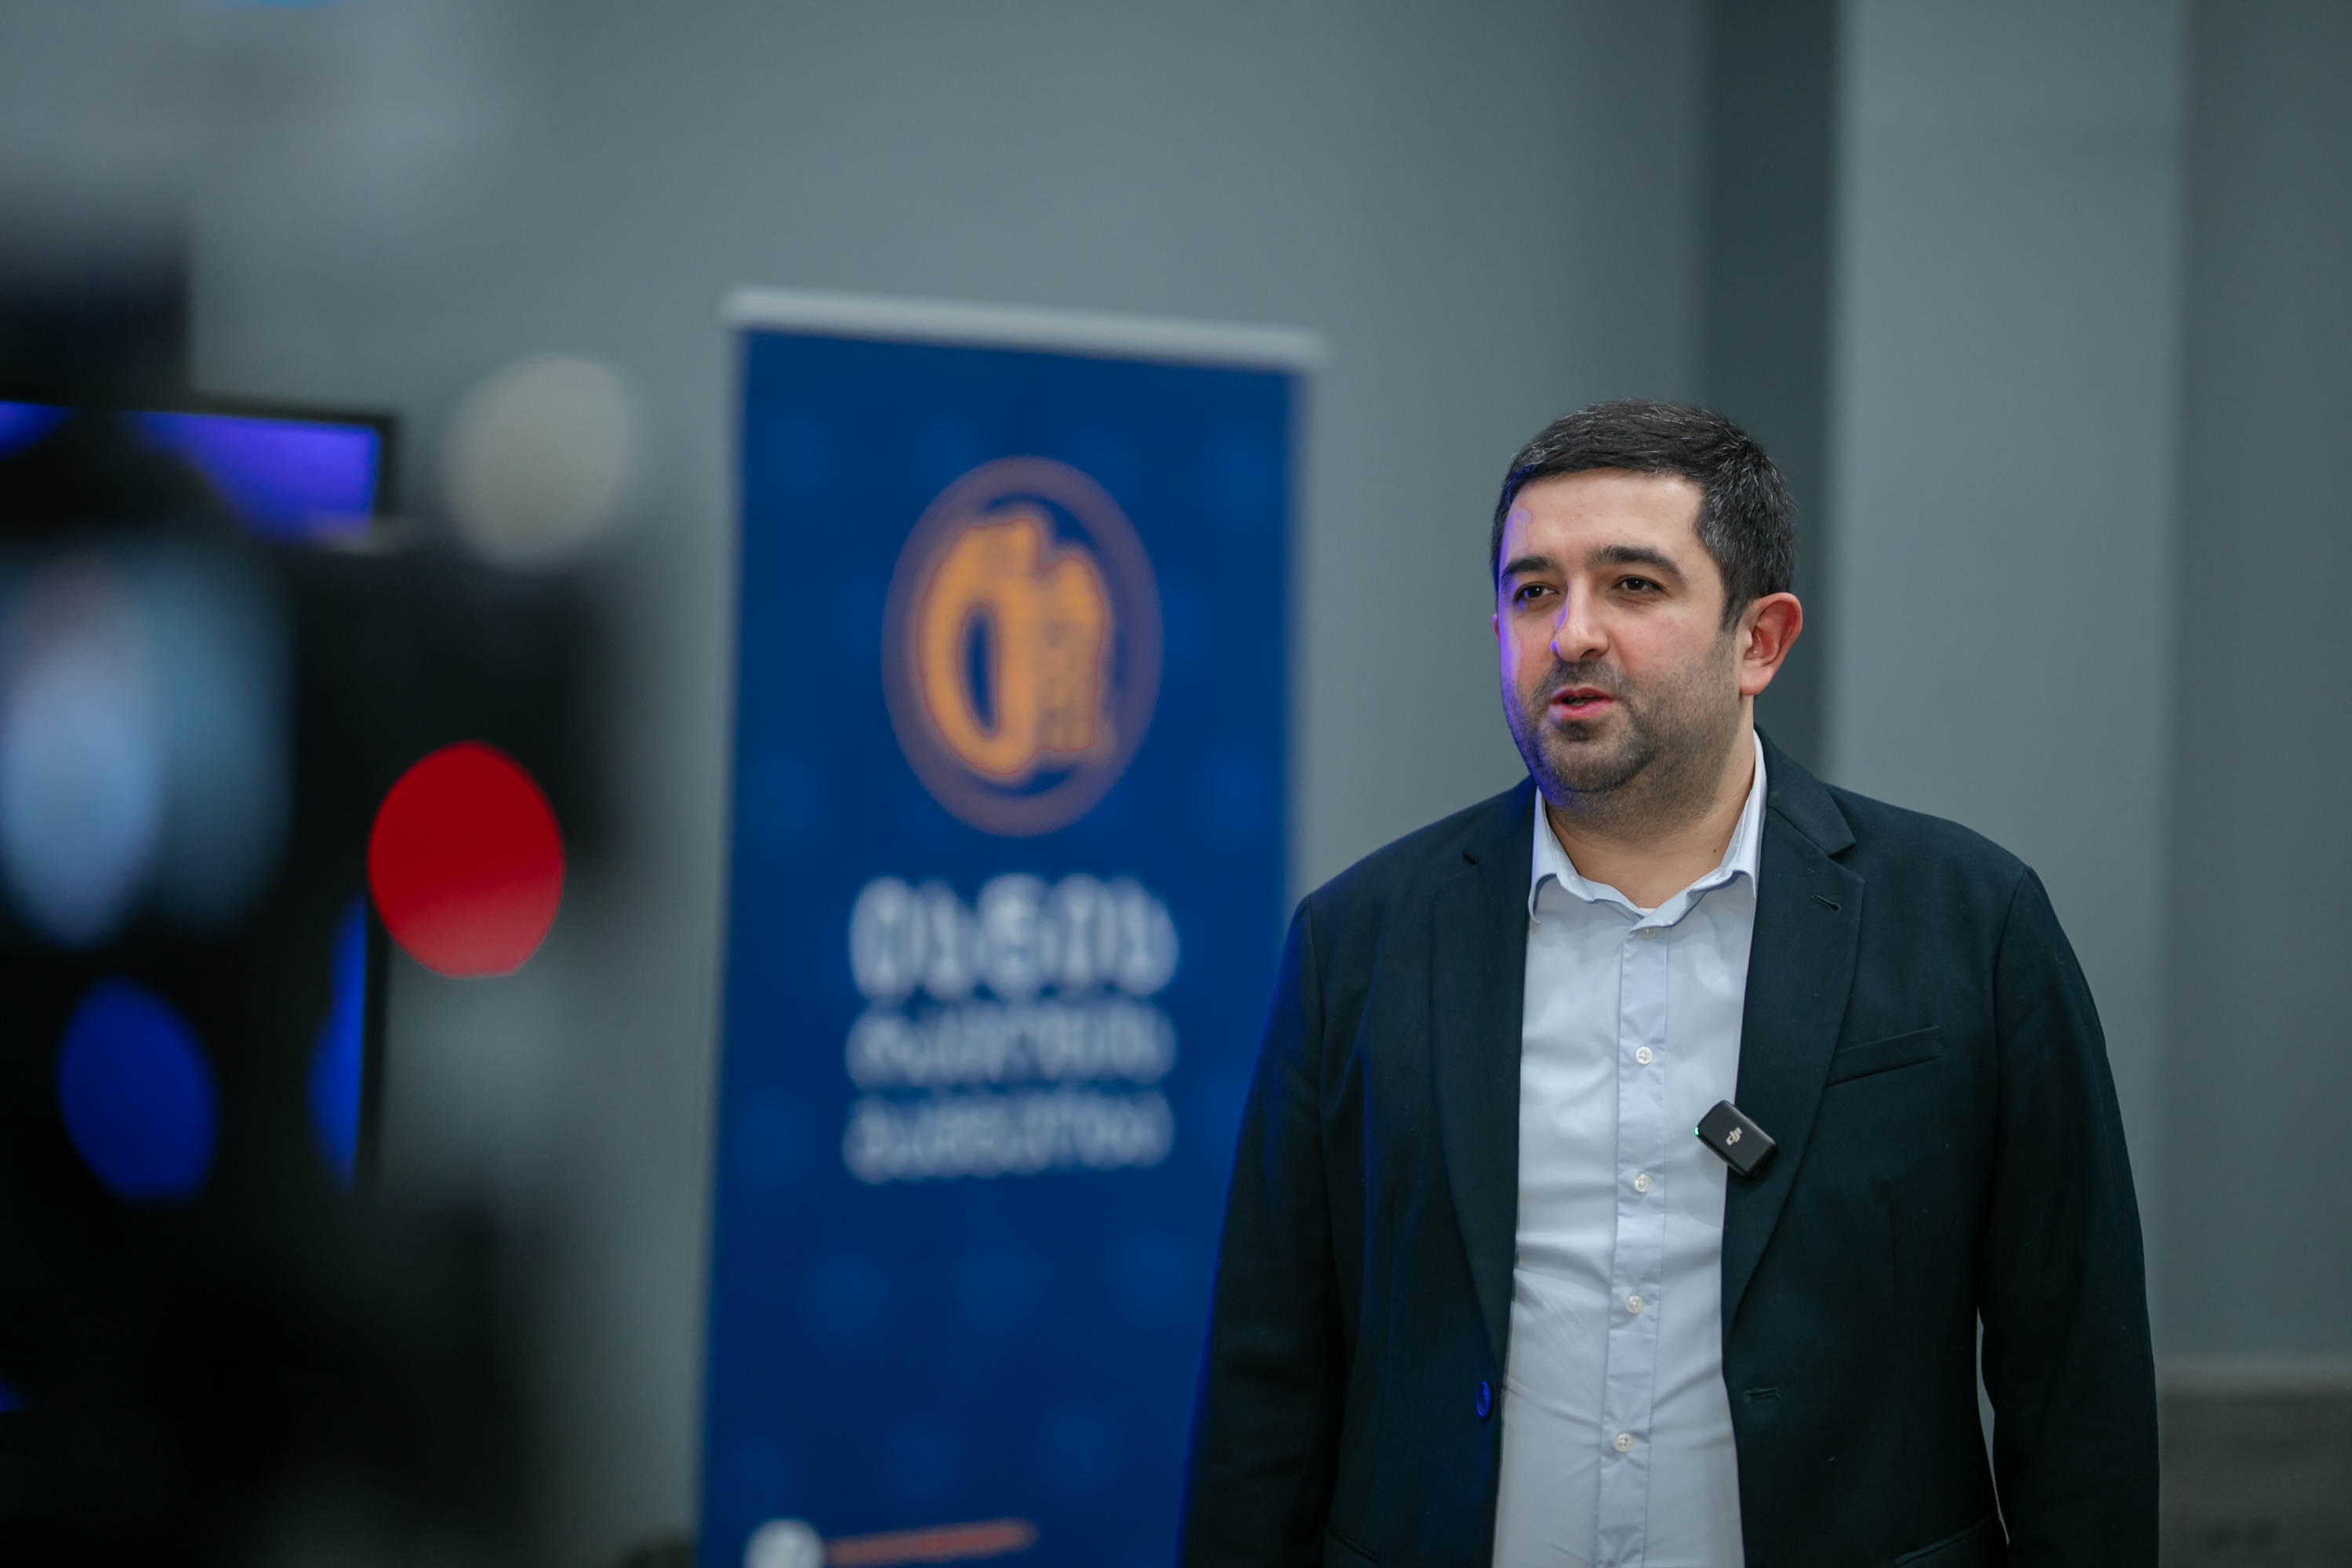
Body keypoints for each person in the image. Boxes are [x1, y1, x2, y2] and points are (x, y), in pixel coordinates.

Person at [1177, 401, 2156, 1567]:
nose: (1572, 633)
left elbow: (2077, 1373)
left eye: (1633, 585)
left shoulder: (1969, 922)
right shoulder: (1359, 938)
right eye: (1534, 591)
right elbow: (1269, 1377)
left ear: (1760, 641)